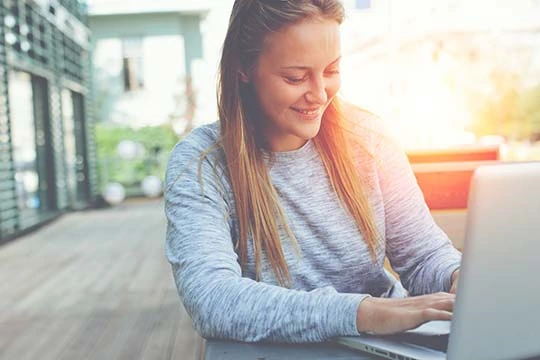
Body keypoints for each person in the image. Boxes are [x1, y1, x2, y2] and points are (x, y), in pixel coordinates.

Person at [165, 0, 461, 343]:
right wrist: (363, 313)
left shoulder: (369, 139)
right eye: (296, 77)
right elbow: (213, 300)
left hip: (387, 347)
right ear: (243, 67)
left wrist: (460, 278)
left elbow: (423, 256)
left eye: (331, 70)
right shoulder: (201, 165)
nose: (320, 95)